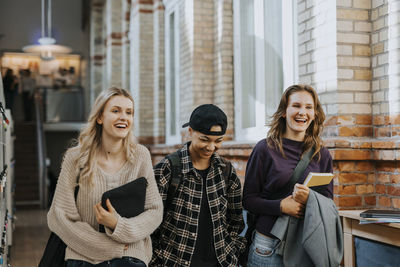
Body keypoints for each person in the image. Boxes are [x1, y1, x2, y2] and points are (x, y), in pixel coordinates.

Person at [47, 87, 163, 266]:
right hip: (83, 257)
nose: (124, 117)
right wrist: (107, 246)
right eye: (116, 111)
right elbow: (59, 216)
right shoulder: (75, 158)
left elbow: (154, 211)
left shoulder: (141, 155)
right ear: (100, 117)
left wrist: (119, 225)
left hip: (130, 257)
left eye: (129, 112)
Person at [243, 84, 337, 266]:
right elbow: (248, 200)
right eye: (296, 105)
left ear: (315, 114)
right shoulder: (265, 149)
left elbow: (328, 203)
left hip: (305, 244)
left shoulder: (321, 153)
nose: (302, 112)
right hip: (267, 245)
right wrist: (281, 206)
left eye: (309, 107)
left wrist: (310, 198)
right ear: (284, 112)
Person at [150, 104, 246, 267]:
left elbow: (236, 221)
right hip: (173, 262)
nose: (211, 147)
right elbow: (150, 223)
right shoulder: (168, 169)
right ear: (190, 132)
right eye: (204, 139)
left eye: (218, 141)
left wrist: (231, 251)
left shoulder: (226, 171)